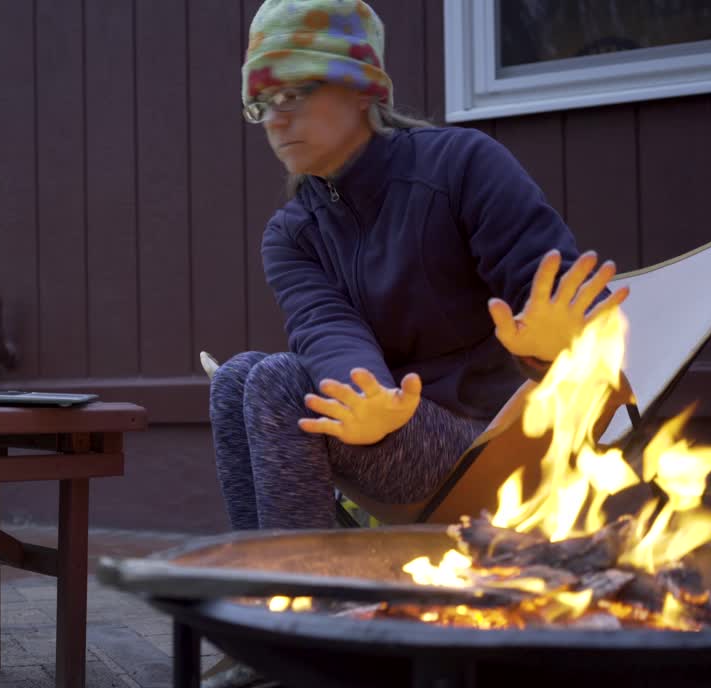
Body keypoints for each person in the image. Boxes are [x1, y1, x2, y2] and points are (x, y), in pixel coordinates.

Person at [210, 0, 627, 531]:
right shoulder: (293, 233)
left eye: (293, 93)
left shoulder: (460, 165)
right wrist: (368, 392)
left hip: (499, 443)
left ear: (363, 89)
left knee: (276, 380)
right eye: (261, 103)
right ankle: (264, 592)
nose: (275, 118)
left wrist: (552, 347)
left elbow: (556, 294)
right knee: (236, 378)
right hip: (392, 427)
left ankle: (305, 597)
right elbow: (324, 324)